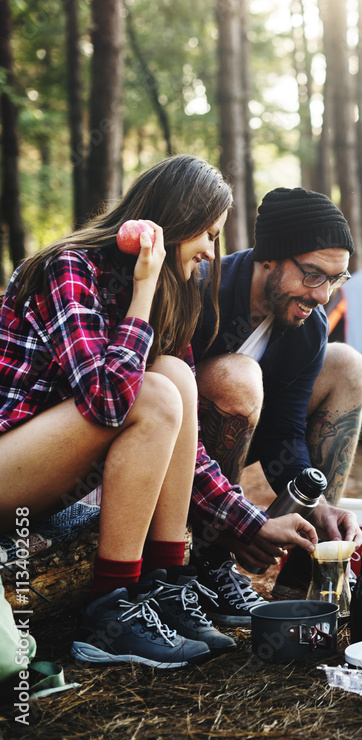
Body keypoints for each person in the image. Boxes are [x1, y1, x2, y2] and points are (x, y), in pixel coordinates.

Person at [0, 155, 317, 668]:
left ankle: (164, 587)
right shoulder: (71, 268)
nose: (212, 253)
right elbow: (107, 403)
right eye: (208, 235)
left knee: (174, 375)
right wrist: (142, 291)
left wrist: (249, 522)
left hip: (53, 471)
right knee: (153, 392)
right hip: (9, 464)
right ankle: (108, 614)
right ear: (177, 222)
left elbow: (184, 442)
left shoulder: (170, 290)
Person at [189, 187, 362, 620]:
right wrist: (239, 523)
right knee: (239, 377)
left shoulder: (308, 326)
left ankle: (308, 572)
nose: (323, 295)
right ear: (268, 258)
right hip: (172, 450)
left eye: (336, 279)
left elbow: (286, 432)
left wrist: (317, 504)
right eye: (313, 275)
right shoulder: (201, 291)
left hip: (238, 440)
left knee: (348, 365)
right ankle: (207, 564)